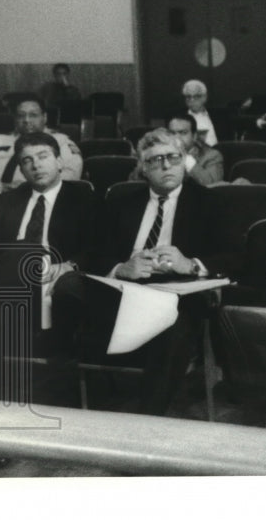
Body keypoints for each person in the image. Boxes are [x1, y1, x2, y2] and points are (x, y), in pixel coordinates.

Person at [59, 127, 235, 415]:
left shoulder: (210, 202)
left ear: (183, 161)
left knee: (172, 326)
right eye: (155, 160)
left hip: (178, 293)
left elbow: (235, 256)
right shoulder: (121, 203)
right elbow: (95, 251)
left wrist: (190, 264)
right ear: (142, 169)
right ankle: (81, 391)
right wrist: (121, 268)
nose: (166, 165)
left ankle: (147, 420)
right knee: (67, 286)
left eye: (173, 157)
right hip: (126, 288)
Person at [0, 131, 99, 405]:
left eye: (42, 157)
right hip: (4, 292)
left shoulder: (84, 199)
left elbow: (100, 248)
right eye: (26, 161)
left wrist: (69, 265)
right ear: (21, 169)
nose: (35, 165)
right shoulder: (6, 201)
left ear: (59, 161)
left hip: (54, 286)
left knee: (28, 251)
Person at [0, 95, 83, 189]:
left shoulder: (60, 140)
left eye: (33, 115)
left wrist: (33, 189)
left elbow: (72, 172)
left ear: (45, 117)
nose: (26, 120)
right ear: (15, 119)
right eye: (21, 115)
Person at [129, 111, 224, 186]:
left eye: (183, 133)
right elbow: (134, 182)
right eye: (172, 133)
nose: (177, 138)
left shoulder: (212, 156)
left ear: (195, 136)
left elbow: (212, 186)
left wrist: (185, 158)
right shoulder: (155, 153)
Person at [181, 79, 219, 145]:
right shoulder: (180, 118)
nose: (192, 100)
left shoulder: (218, 116)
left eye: (196, 96)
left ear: (205, 97)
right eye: (188, 97)